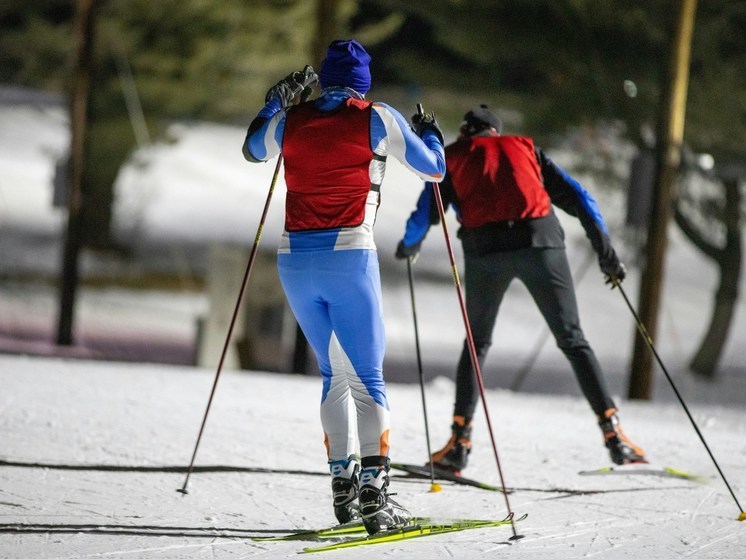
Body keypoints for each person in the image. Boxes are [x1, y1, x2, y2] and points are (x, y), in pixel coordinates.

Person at [242, 39, 445, 534]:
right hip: (350, 257)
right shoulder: (377, 116)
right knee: (367, 379)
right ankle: (375, 493)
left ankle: (342, 482)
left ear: (324, 77)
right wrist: (431, 133)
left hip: (295, 260)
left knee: (333, 374)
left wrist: (276, 101)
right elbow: (434, 169)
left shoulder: (294, 119)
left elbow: (252, 149)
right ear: (362, 82)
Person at [395, 104, 646, 473]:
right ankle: (615, 435)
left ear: (466, 132)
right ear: (496, 133)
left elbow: (424, 212)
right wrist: (605, 252)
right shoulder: (526, 149)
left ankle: (459, 443)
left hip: (485, 251)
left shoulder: (453, 157)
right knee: (572, 339)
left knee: (477, 344)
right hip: (540, 243)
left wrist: (409, 244)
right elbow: (579, 198)